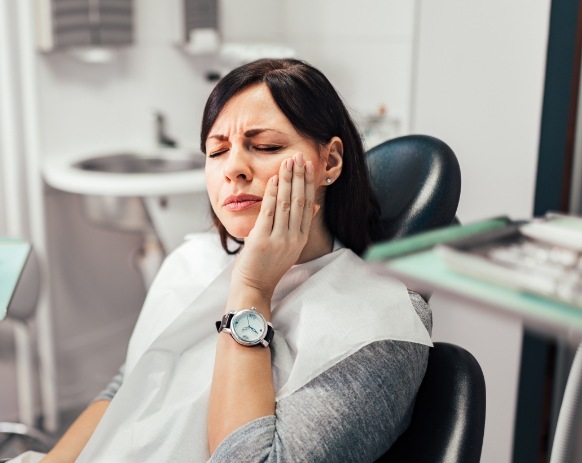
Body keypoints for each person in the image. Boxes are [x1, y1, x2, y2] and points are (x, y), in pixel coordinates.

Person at [39, 58, 432, 463]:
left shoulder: (382, 326)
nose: (234, 169)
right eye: (217, 151)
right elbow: (127, 389)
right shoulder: (193, 261)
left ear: (329, 162)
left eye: (266, 147)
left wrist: (252, 289)